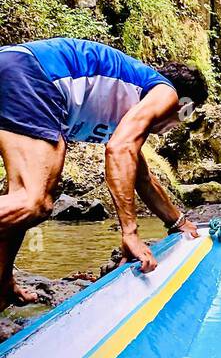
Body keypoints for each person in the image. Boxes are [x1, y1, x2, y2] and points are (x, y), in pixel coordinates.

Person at [0, 36, 208, 311]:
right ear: (183, 105)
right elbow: (119, 150)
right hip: (33, 74)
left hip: (15, 66)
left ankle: (2, 283)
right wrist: (130, 234)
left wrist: (178, 222)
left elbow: (142, 178)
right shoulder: (165, 93)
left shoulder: (131, 105)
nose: (179, 125)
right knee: (34, 202)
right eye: (185, 116)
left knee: (21, 201)